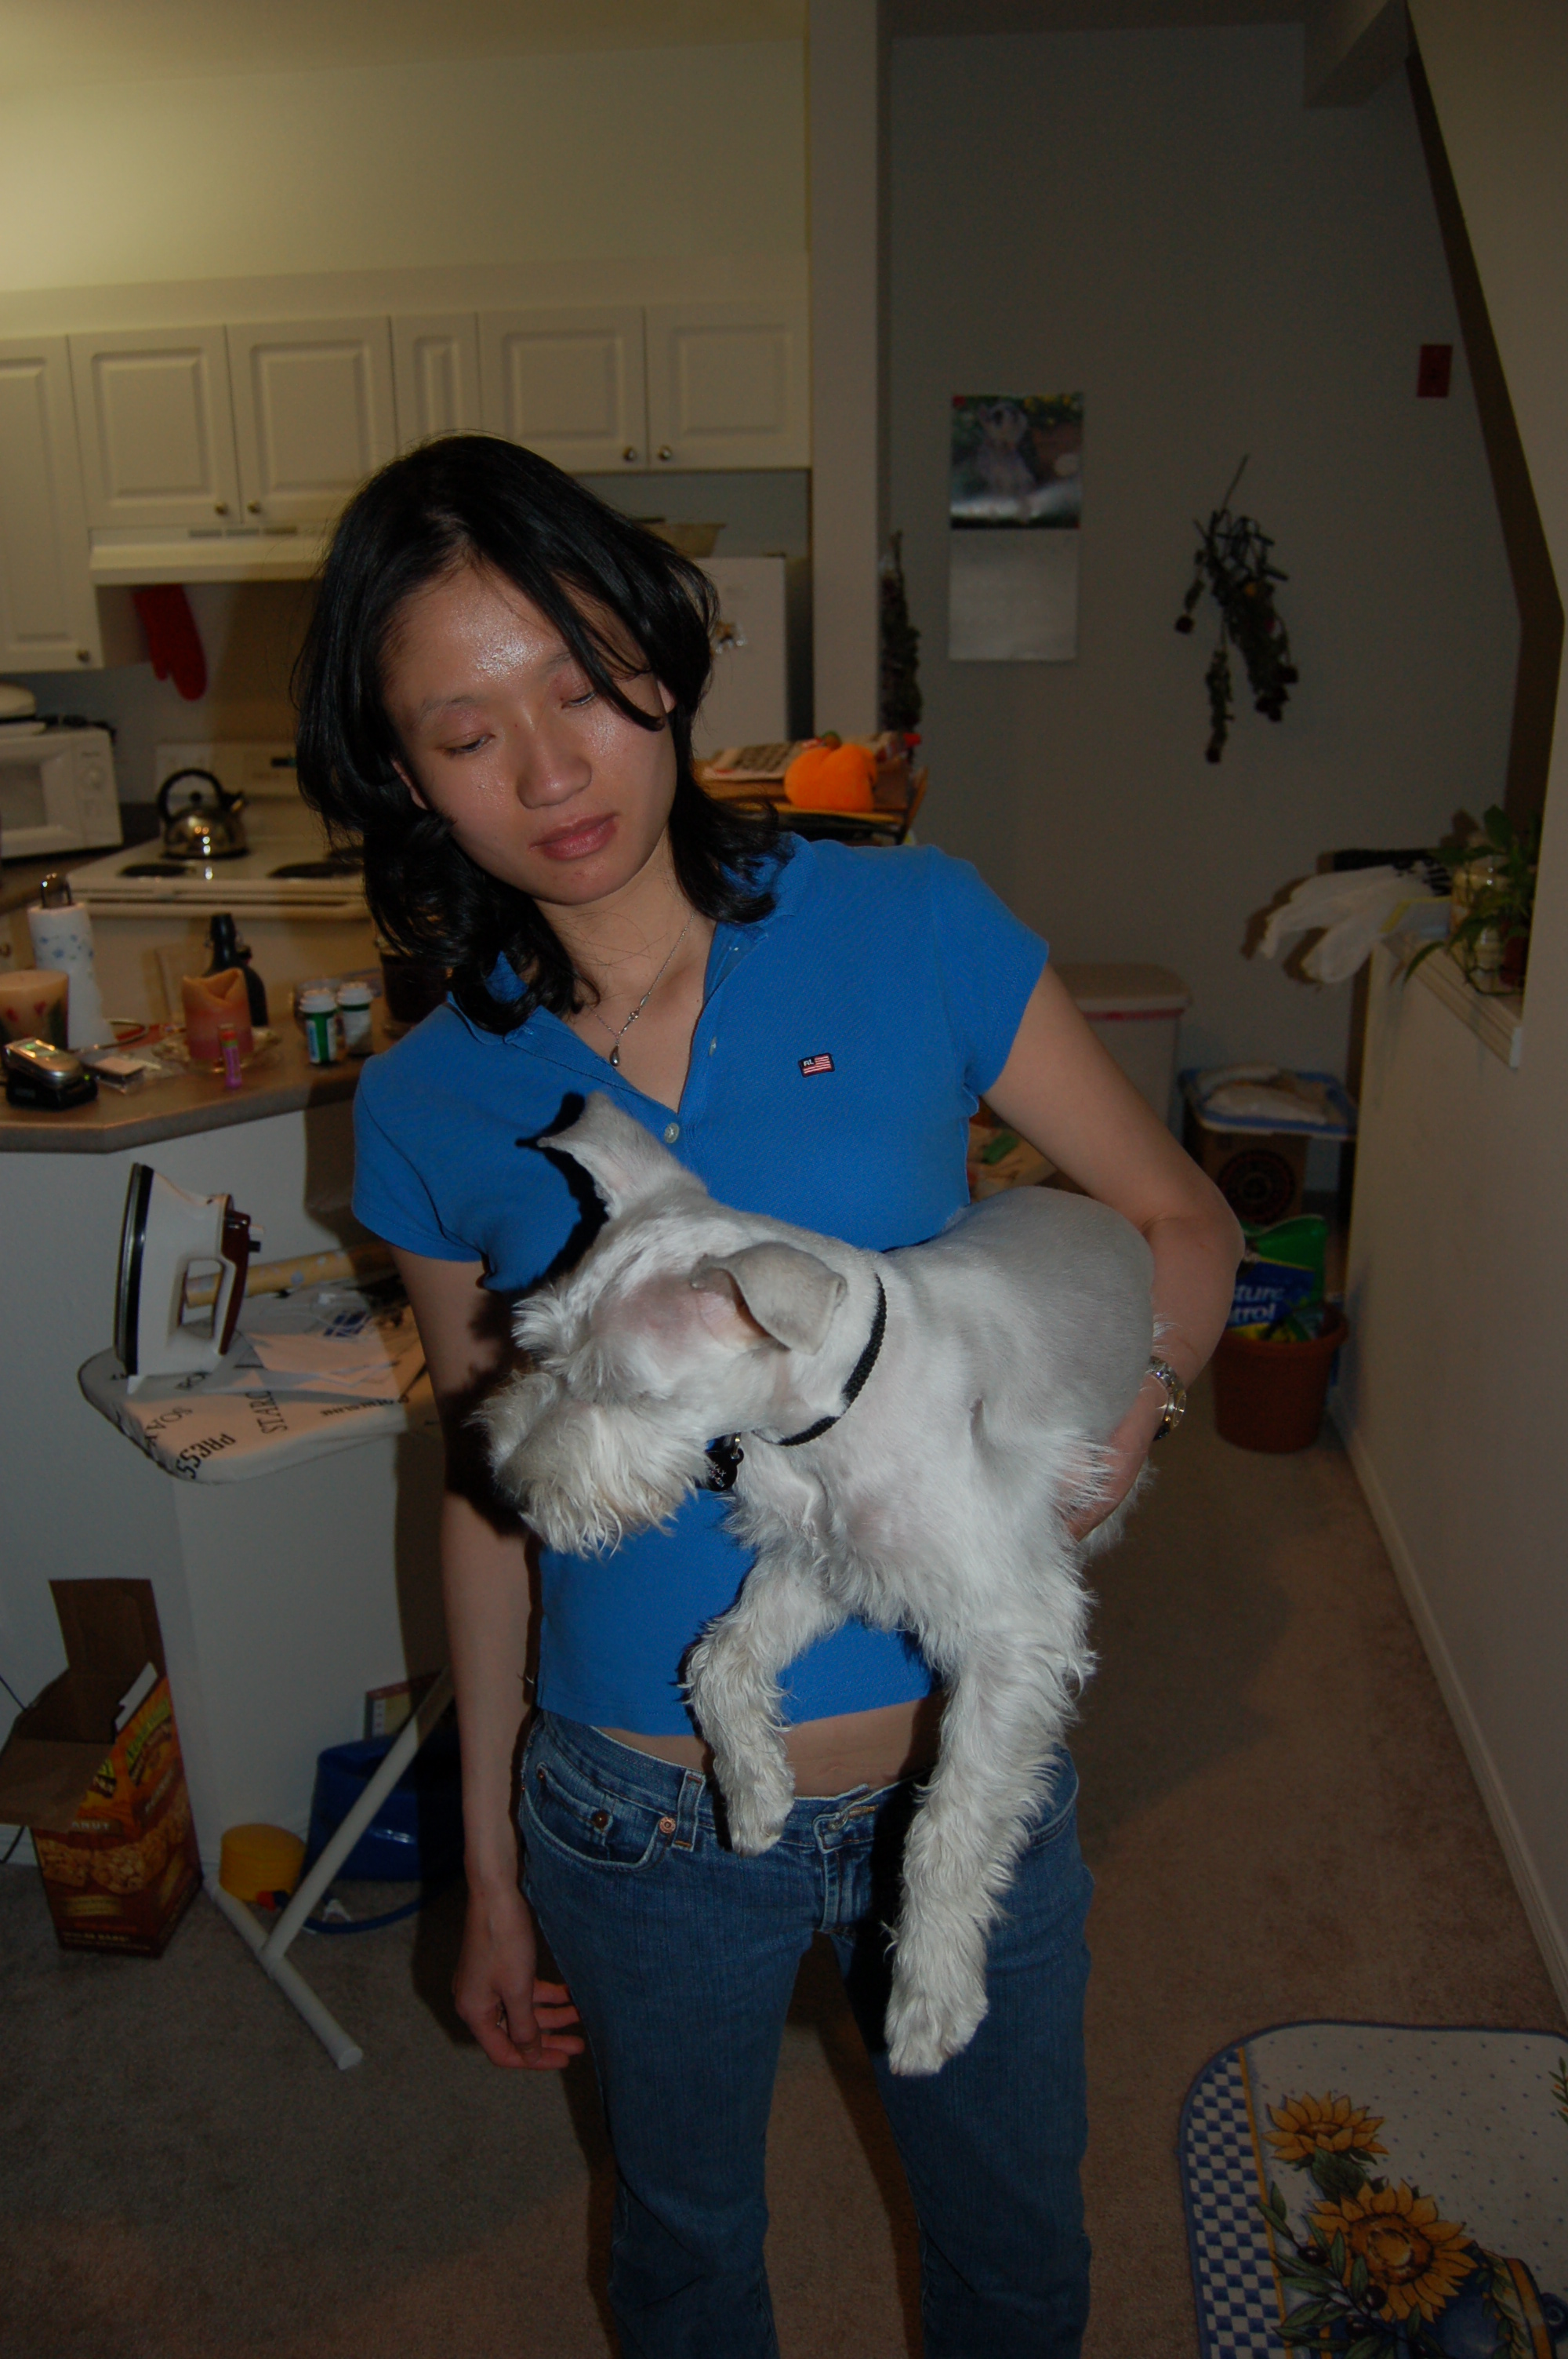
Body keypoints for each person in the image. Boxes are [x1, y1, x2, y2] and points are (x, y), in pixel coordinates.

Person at [295, 434, 1241, 2359]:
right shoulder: (427, 1098)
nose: (548, 773)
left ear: (657, 657)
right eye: (466, 732)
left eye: (580, 685)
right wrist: (487, 1866)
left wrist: (1130, 1408)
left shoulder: (911, 923)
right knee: (682, 2261)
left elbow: (1179, 1220)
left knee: (1014, 2258)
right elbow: (485, 1493)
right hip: (632, 1816)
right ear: (402, 771)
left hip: (951, 1759)